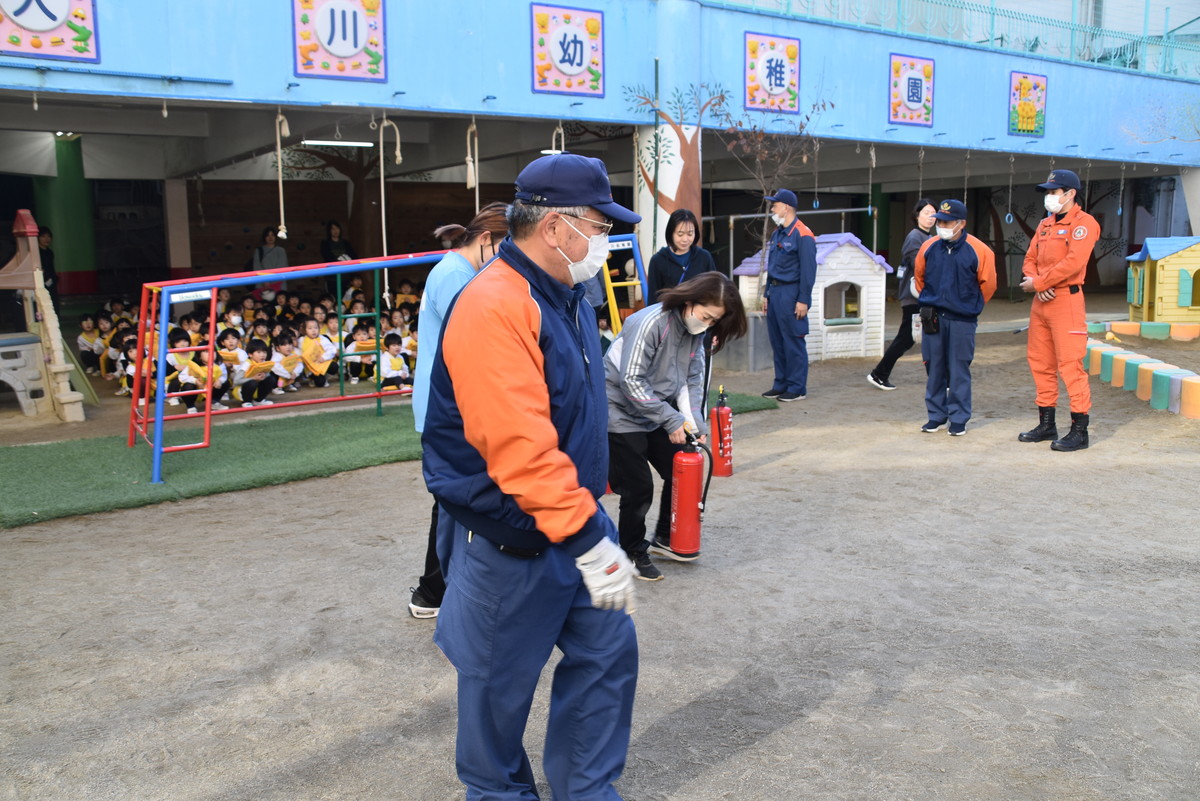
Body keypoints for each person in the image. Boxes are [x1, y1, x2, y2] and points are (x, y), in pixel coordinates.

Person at [421, 153, 640, 801]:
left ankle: (587, 791)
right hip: (510, 537)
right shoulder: (495, 303)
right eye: (599, 226)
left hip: (573, 519)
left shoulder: (567, 295)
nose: (604, 240)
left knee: (607, 656)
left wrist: (590, 523)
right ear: (554, 227)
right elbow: (518, 448)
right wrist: (591, 537)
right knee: (496, 701)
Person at [606, 272, 747, 579]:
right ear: (689, 301)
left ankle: (665, 537)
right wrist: (671, 419)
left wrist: (694, 424)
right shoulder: (650, 323)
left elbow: (692, 380)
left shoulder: (695, 332)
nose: (707, 324)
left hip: (654, 410)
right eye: (706, 316)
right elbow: (631, 380)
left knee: (679, 468)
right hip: (618, 409)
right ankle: (631, 551)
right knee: (638, 487)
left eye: (714, 321)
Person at [408, 200, 508, 619]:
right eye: (505, 247)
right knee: (454, 499)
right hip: (447, 405)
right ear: (485, 239)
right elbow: (474, 345)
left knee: (458, 498)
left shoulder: (460, 270)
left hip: (448, 402)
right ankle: (432, 591)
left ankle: (438, 590)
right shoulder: (456, 275)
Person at [1018, 169, 1101, 452]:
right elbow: (1030, 259)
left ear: (1070, 193)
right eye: (1048, 192)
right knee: (1040, 363)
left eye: (1053, 192)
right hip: (1042, 301)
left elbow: (1074, 262)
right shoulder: (1045, 224)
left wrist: (1040, 283)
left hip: (1066, 301)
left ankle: (1079, 431)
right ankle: (1046, 424)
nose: (1049, 197)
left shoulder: (1084, 224)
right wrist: (1037, 284)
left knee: (1070, 366)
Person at [912, 199, 997, 436]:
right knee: (934, 367)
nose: (942, 226)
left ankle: (959, 418)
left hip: (962, 320)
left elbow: (988, 285)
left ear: (961, 223)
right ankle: (936, 416)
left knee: (959, 368)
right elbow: (919, 277)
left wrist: (969, 305)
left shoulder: (980, 250)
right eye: (939, 221)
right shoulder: (928, 247)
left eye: (947, 222)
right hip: (933, 317)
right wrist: (931, 300)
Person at [868, 198, 936, 390]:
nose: (930, 217)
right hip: (914, 296)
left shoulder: (928, 237)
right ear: (917, 215)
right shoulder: (915, 237)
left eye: (933, 214)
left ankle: (937, 378)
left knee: (922, 336)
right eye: (926, 213)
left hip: (921, 296)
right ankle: (879, 373)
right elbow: (918, 265)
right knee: (908, 337)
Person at [760, 188, 817, 402]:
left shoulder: (803, 234)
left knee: (793, 341)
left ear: (786, 207)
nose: (772, 210)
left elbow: (808, 271)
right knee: (777, 341)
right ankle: (781, 384)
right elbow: (772, 266)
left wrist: (803, 300)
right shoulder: (778, 233)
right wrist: (766, 294)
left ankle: (797, 387)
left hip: (791, 293)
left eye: (775, 206)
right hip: (775, 292)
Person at [645, 208, 717, 301]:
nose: (685, 239)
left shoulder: (704, 257)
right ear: (671, 233)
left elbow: (714, 290)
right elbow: (653, 299)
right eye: (680, 234)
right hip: (669, 310)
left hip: (699, 309)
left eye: (690, 234)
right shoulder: (657, 261)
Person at [37, 227, 59, 313]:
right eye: (43, 236)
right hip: (41, 282)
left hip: (51, 281)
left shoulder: (50, 252)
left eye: (48, 236)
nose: (46, 239)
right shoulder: (36, 252)